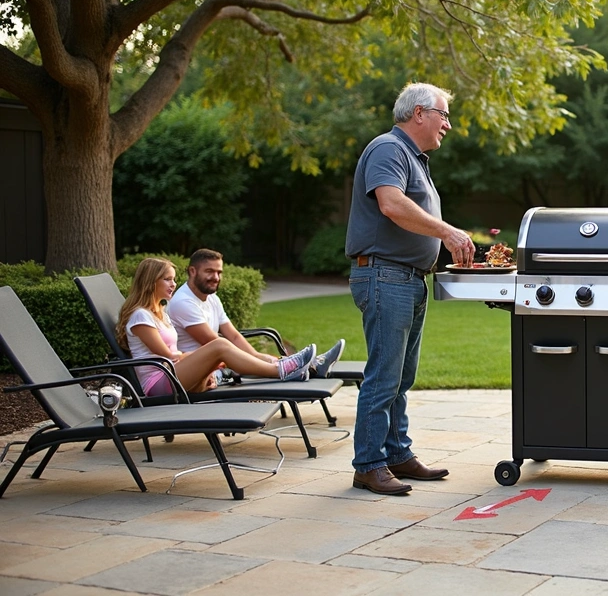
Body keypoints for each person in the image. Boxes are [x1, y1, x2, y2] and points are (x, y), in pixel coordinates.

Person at [344, 82, 476, 496]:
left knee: (402, 377)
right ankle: (368, 464)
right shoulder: (388, 148)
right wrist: (448, 232)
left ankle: (397, 453)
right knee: (384, 376)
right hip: (385, 276)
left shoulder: (412, 157)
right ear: (419, 113)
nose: (448, 125)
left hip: (406, 278)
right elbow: (391, 203)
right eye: (444, 115)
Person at [117, 258, 315, 396]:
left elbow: (176, 355)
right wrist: (208, 359)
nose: (173, 284)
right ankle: (283, 369)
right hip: (158, 383)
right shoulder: (140, 316)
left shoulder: (160, 312)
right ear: (151, 282)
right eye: (167, 279)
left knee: (219, 349)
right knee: (219, 345)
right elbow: (169, 357)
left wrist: (208, 368)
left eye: (174, 279)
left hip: (176, 375)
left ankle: (285, 365)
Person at [167, 248, 346, 380]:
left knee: (257, 357)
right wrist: (260, 358)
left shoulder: (211, 298)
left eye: (219, 272)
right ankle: (295, 367)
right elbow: (213, 343)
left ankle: (311, 365)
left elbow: (234, 337)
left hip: (222, 363)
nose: (216, 277)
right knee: (233, 351)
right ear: (192, 271)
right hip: (205, 371)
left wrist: (259, 356)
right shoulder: (184, 302)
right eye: (209, 272)